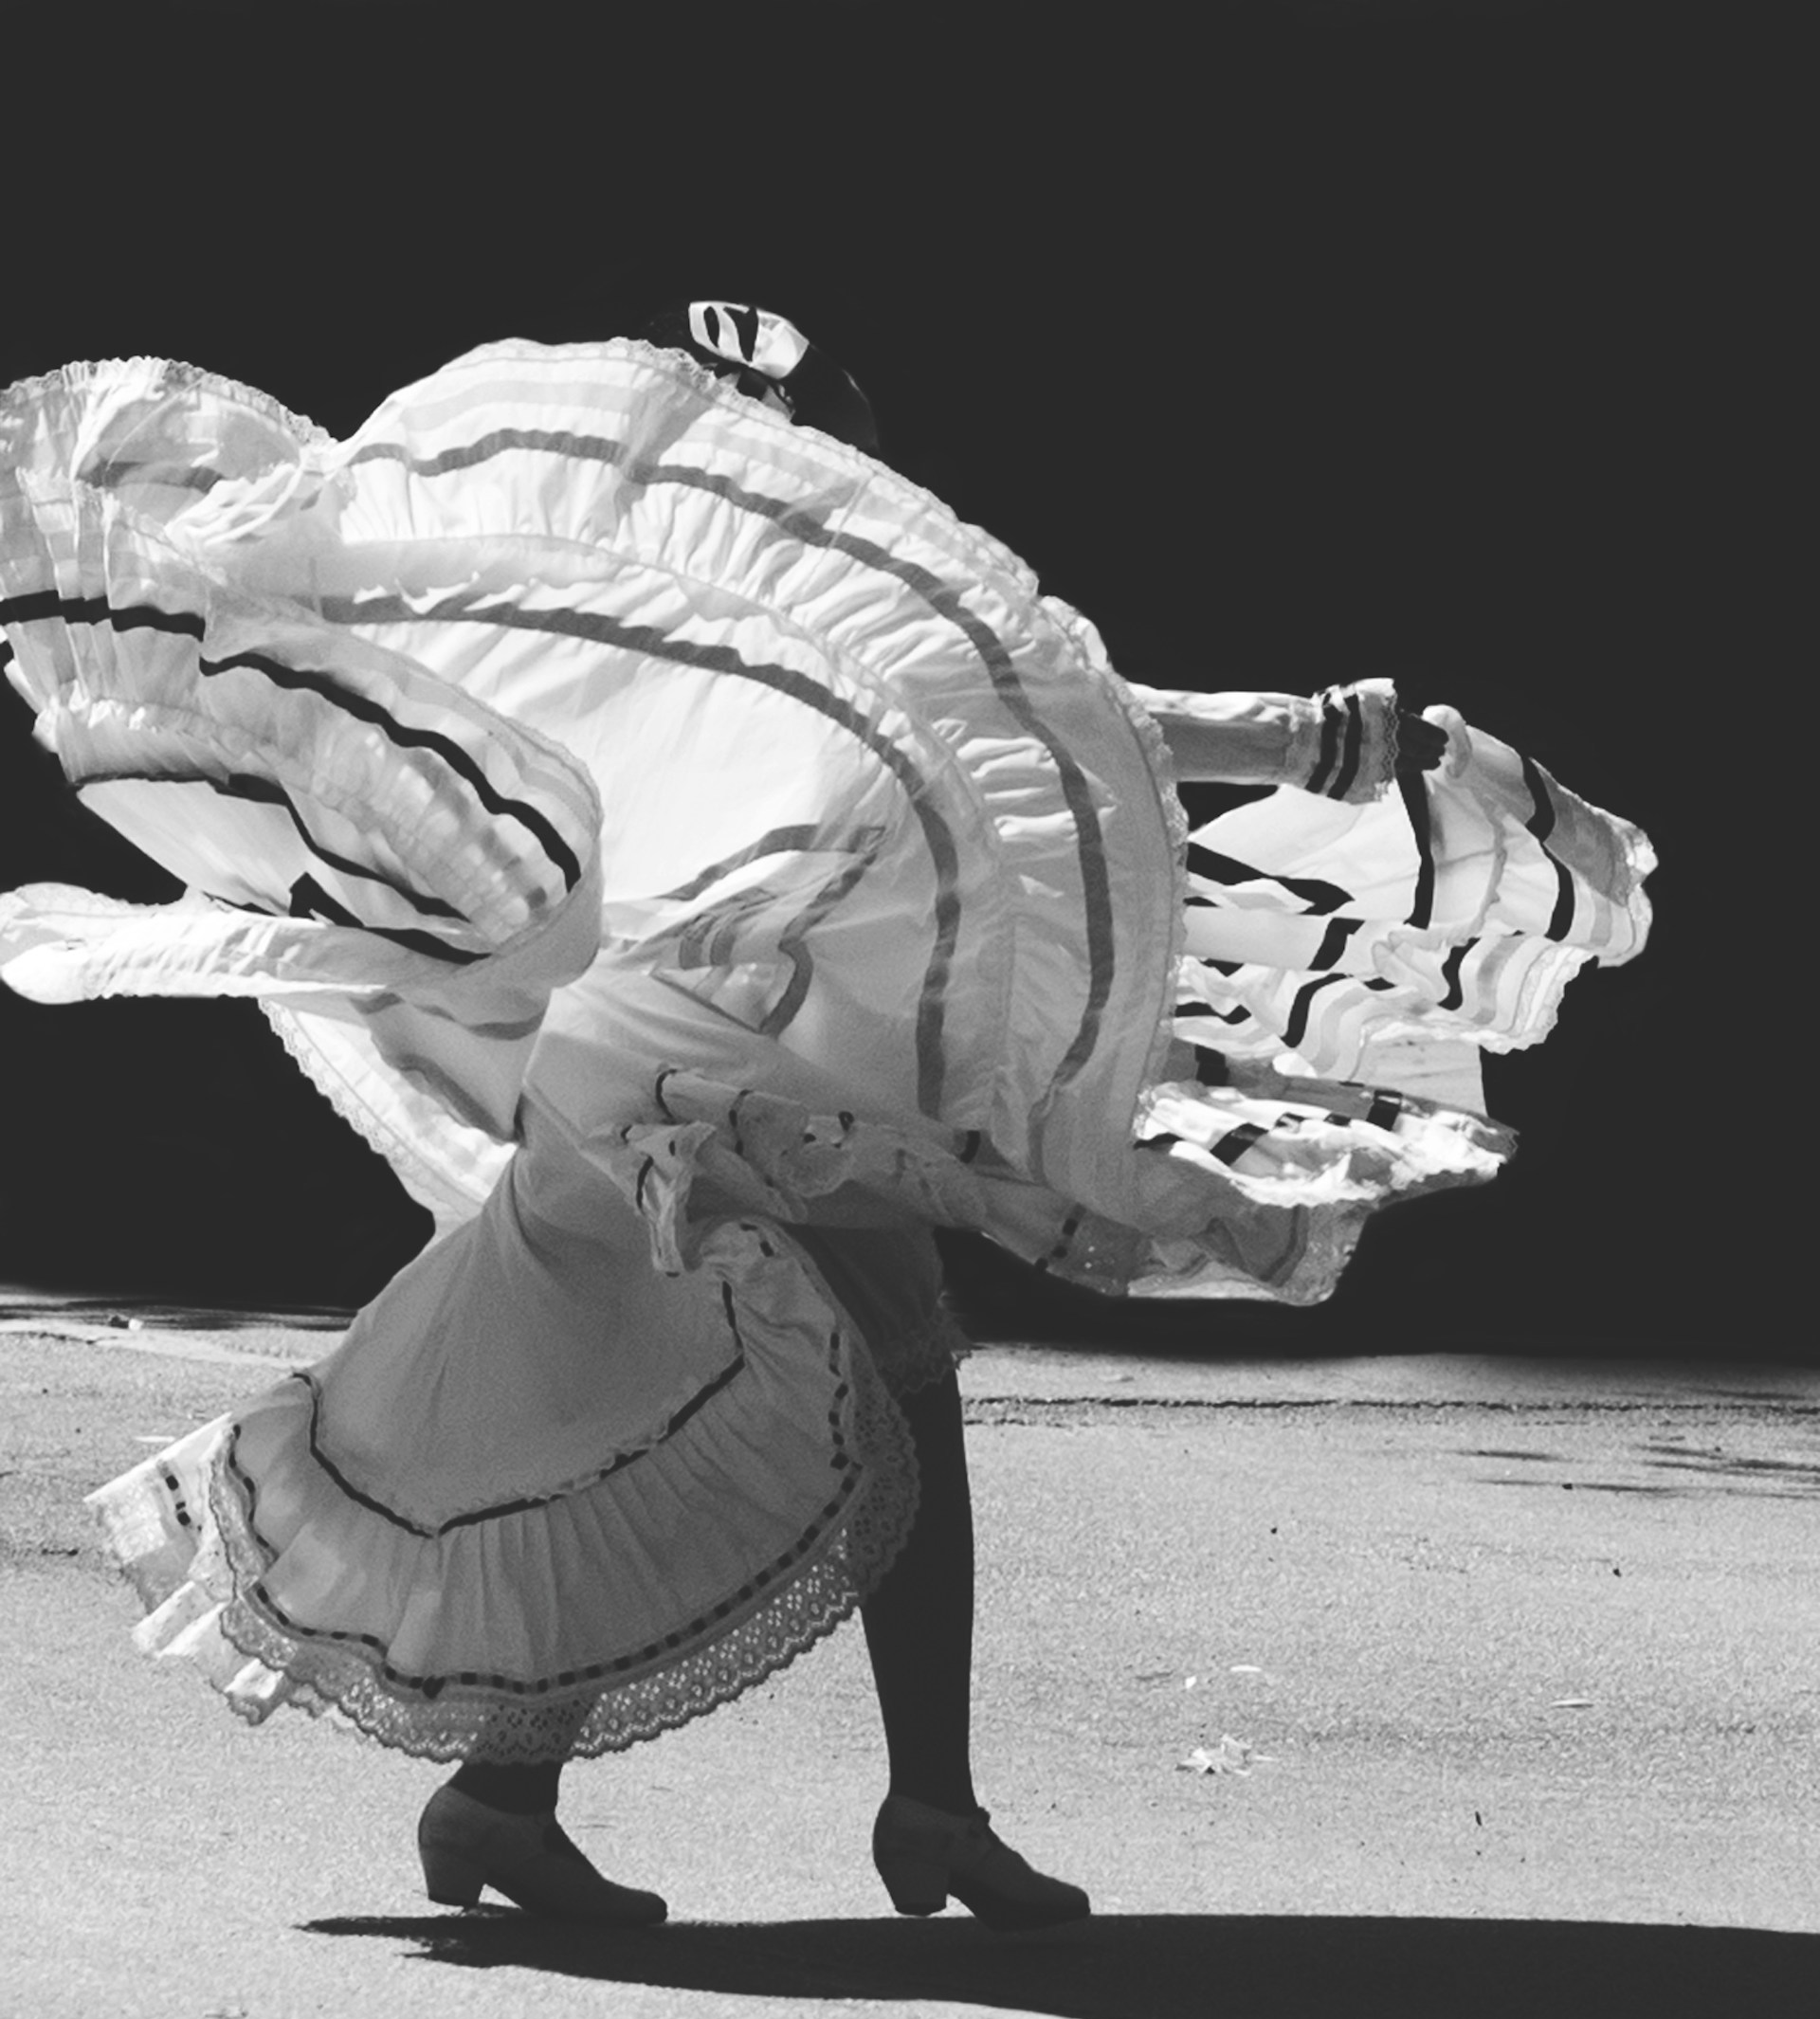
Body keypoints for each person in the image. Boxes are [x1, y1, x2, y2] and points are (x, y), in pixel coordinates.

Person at [0, 305, 1653, 1928]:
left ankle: (514, 1795)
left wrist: (1321, 737)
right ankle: (920, 1812)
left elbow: (1026, 733)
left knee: (665, 1391)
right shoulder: (688, 623)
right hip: (708, 1075)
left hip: (670, 1072)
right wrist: (1325, 736)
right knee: (890, 1397)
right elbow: (1049, 734)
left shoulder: (647, 614)